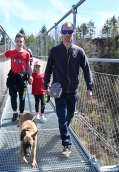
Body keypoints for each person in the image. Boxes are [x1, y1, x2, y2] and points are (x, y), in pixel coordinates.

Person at [44, 22, 93, 158]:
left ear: (74, 32)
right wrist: (46, 85)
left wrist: (89, 87)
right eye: (64, 32)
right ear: (61, 33)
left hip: (73, 91)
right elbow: (48, 70)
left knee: (69, 116)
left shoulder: (79, 51)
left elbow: (87, 70)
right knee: (62, 117)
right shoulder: (55, 51)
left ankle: (63, 129)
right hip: (59, 91)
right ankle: (67, 145)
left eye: (69, 32)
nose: (67, 35)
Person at [0, 33, 33, 121]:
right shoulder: (11, 52)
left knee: (22, 98)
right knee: (13, 97)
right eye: (17, 41)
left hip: (22, 78)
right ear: (15, 42)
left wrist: (31, 76)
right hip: (13, 78)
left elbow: (28, 66)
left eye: (21, 41)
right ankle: (15, 113)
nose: (19, 43)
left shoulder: (26, 54)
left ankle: (21, 114)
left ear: (24, 42)